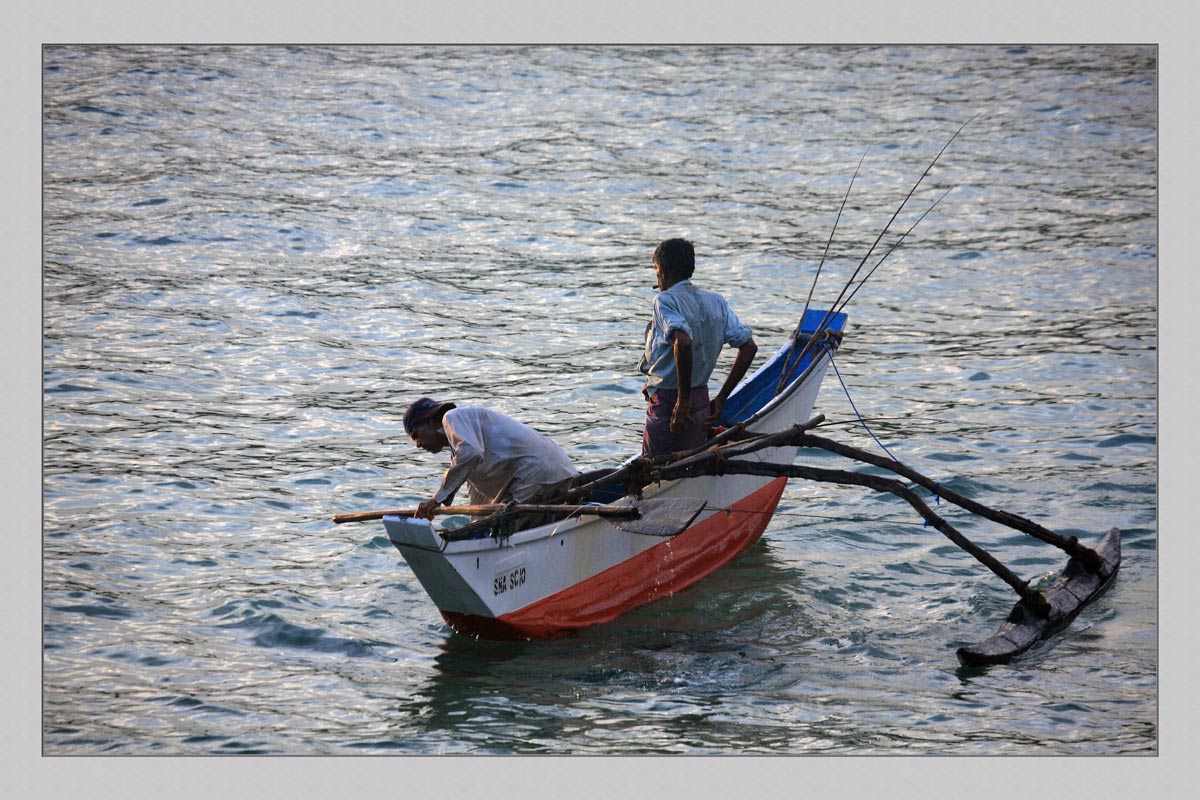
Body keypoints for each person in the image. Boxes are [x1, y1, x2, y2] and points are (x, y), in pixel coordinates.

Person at [637, 238, 758, 459]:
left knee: (656, 469)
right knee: (692, 461)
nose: (657, 279)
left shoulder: (664, 300)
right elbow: (748, 347)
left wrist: (682, 401)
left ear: (662, 271)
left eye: (656, 271)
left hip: (669, 407)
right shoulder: (716, 301)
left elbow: (682, 342)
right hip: (702, 403)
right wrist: (721, 398)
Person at [403, 398, 579, 524]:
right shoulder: (465, 451)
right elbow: (479, 504)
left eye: (415, 435)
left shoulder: (451, 417)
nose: (418, 445)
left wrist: (436, 500)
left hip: (534, 472)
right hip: (558, 470)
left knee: (508, 525)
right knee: (498, 522)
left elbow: (471, 453)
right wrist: (476, 528)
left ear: (430, 421)